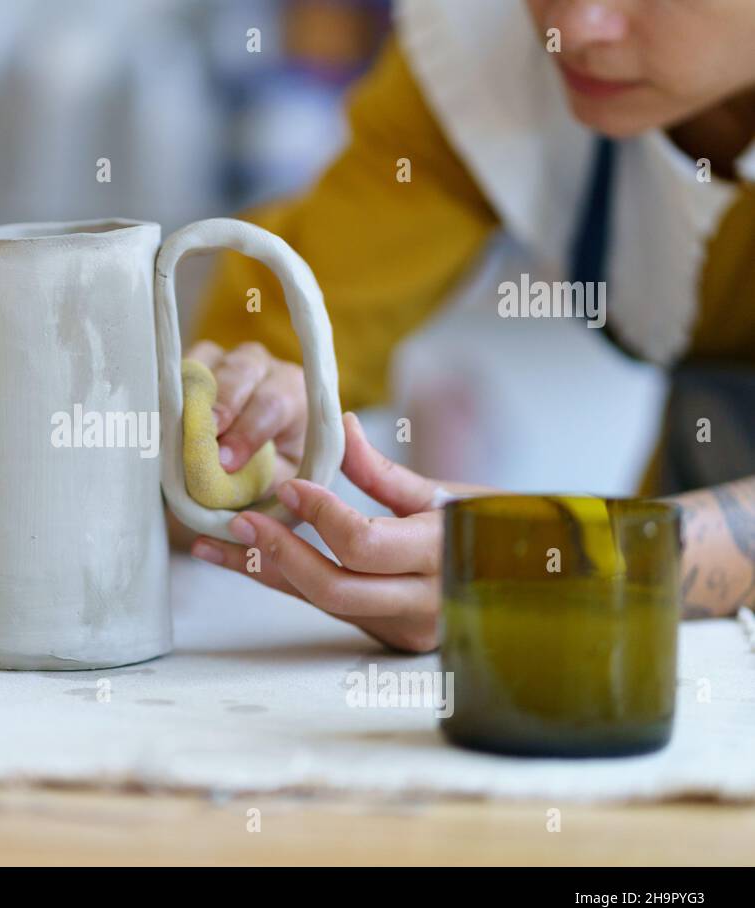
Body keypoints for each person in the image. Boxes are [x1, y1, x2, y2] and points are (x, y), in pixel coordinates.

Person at [186, 0, 755, 650]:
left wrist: (574, 566)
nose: (572, 28)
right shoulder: (481, 48)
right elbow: (281, 336)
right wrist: (249, 442)